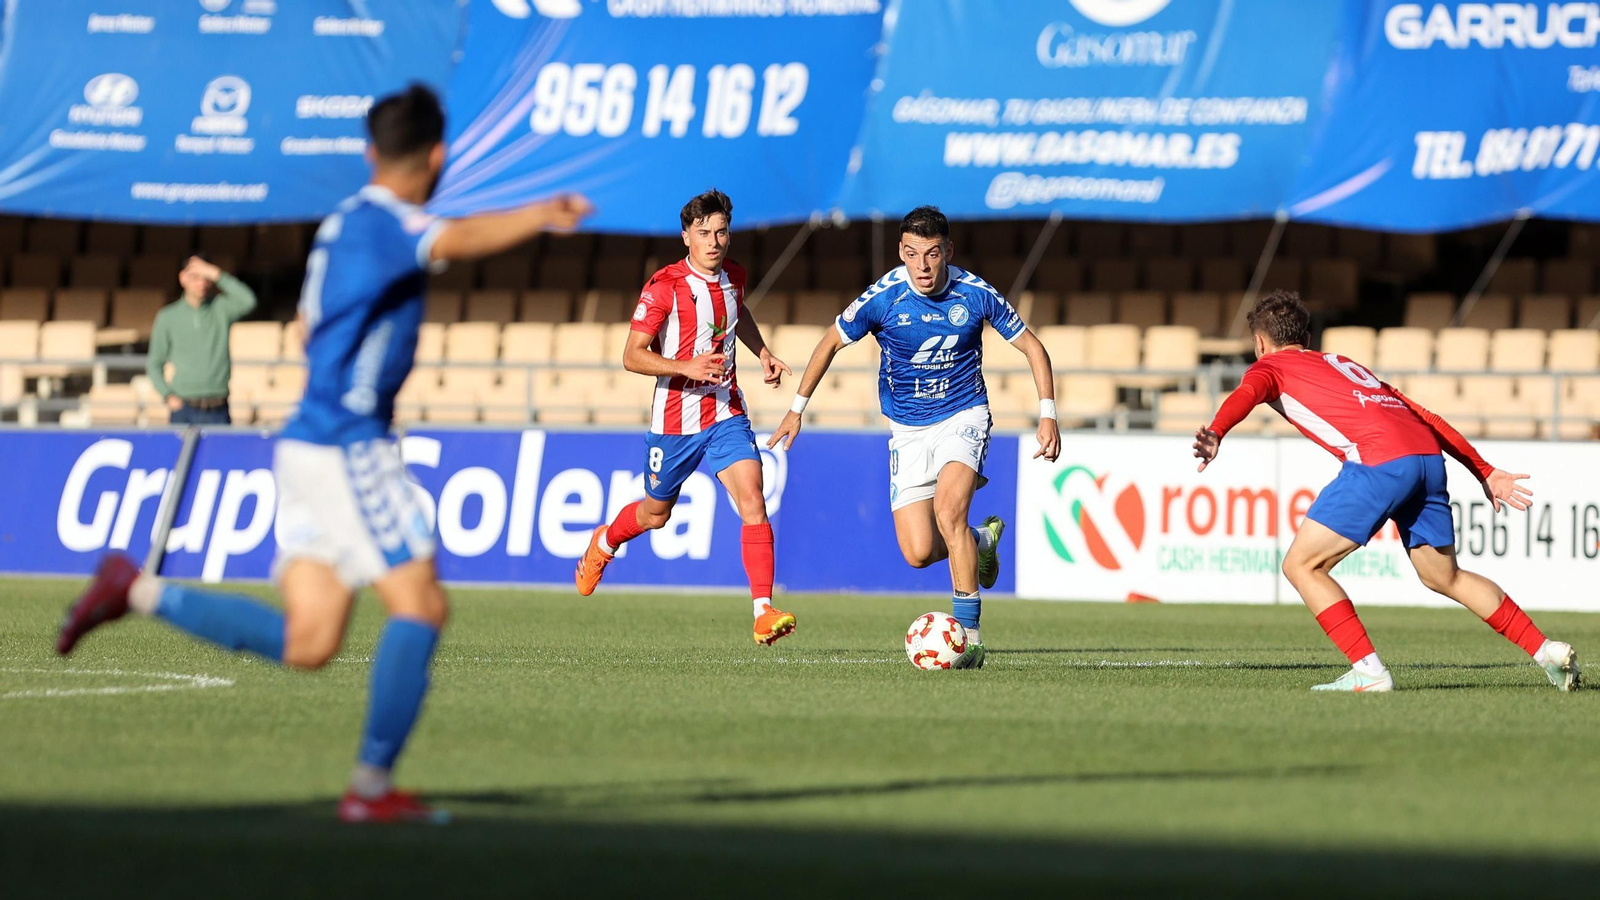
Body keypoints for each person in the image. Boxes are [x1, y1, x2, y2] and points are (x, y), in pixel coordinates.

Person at [56, 83, 594, 822]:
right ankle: (371, 789)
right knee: (422, 607)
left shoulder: (341, 223)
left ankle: (133, 587)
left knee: (310, 641)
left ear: (371, 151)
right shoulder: (390, 223)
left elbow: (310, 330)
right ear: (438, 154)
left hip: (307, 443)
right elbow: (451, 240)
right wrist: (538, 213)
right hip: (348, 443)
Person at [1192, 290, 1580, 692]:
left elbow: (1245, 395)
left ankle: (1370, 672)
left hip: (1379, 461)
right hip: (1428, 459)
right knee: (1445, 576)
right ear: (1306, 337)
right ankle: (1545, 650)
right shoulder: (1342, 363)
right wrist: (1483, 470)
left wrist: (1217, 431)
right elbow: (1425, 416)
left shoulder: (1270, 365)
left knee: (1301, 565)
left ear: (1259, 342)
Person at [766, 205, 1061, 668]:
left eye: (931, 254)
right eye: (910, 254)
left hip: (963, 415)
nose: (921, 266)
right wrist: (795, 409)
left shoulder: (974, 292)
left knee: (948, 512)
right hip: (907, 429)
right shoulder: (884, 297)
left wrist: (1048, 413)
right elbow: (829, 342)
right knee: (919, 552)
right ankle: (980, 541)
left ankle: (970, 636)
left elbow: (1032, 346)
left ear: (948, 251)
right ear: (900, 252)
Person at [573, 190, 799, 646]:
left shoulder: (735, 275)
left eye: (721, 232)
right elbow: (632, 356)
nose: (714, 241)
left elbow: (739, 314)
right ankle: (605, 543)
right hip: (674, 422)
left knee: (752, 499)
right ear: (686, 237)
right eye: (703, 233)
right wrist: (684, 366)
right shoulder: (664, 286)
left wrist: (763, 352)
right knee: (655, 515)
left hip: (725, 410)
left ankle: (762, 611)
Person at [146, 256, 257, 425]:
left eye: (205, 278)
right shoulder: (167, 317)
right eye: (195, 277)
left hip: (218, 408)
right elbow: (154, 363)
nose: (201, 283)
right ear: (182, 278)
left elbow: (248, 301)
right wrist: (168, 396)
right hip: (184, 409)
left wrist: (216, 274)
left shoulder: (221, 308)